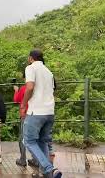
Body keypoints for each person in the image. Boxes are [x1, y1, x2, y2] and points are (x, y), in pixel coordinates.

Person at [20, 49, 62, 178]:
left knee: (28, 141)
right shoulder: (48, 71)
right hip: (49, 111)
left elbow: (30, 87)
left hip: (36, 111)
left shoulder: (30, 68)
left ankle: (49, 168)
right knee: (43, 141)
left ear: (30, 58)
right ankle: (48, 173)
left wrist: (23, 104)